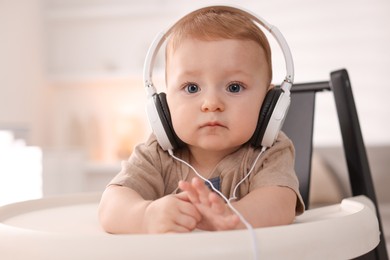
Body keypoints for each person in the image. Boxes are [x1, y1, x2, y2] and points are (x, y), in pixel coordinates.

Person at [98, 6, 304, 234]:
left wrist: (231, 217)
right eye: (192, 87)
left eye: (234, 87)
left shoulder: (269, 153)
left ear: (268, 102)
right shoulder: (158, 154)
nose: (211, 103)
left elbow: (280, 204)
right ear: (164, 104)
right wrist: (146, 216)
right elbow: (110, 206)